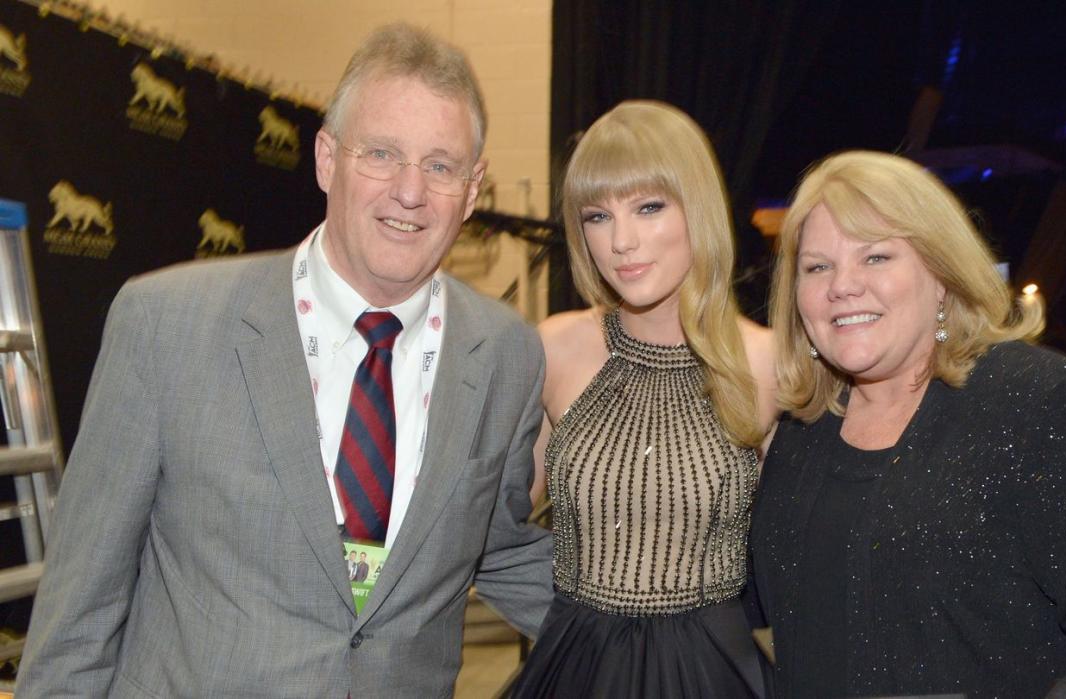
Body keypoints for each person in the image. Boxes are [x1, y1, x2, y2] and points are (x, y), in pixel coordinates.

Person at [17, 23, 552, 697]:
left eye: (440, 166)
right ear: (327, 158)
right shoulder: (166, 324)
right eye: (381, 154)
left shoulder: (506, 354)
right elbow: (79, 610)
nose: (409, 191)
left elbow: (494, 542)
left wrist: (673, 621)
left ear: (472, 191)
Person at [751, 150, 1066, 698]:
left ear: (941, 275)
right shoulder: (807, 423)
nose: (842, 285)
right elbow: (766, 595)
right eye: (818, 266)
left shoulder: (1029, 400)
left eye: (876, 257)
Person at [510, 100, 779, 698]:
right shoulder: (555, 348)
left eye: (649, 207)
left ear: (698, 208)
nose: (621, 241)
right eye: (597, 216)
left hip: (714, 673)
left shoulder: (769, 364)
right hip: (577, 668)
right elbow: (485, 524)